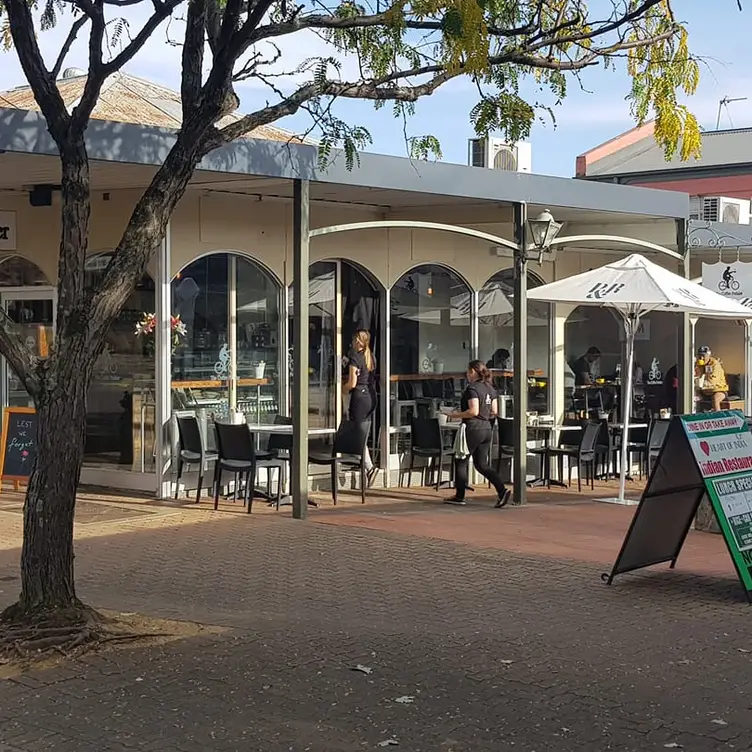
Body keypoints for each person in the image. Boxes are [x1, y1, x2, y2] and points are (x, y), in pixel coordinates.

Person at [445, 360, 511, 508]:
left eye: (468, 372)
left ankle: (460, 496)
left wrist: (454, 415)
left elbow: (473, 411)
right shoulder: (490, 388)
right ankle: (502, 490)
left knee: (460, 460)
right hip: (486, 428)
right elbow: (494, 411)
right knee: (481, 464)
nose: (467, 375)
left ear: (474, 372)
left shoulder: (472, 388)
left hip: (472, 427)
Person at [344, 329, 378, 485]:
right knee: (361, 431)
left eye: (353, 339)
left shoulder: (355, 358)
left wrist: (340, 389)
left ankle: (369, 467)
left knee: (358, 432)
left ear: (358, 341)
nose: (352, 342)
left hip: (359, 397)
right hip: (371, 397)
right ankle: (362, 463)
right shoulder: (371, 357)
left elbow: (352, 383)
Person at [695, 346, 728, 412]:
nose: (701, 358)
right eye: (699, 355)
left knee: (715, 399)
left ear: (708, 355)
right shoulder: (698, 364)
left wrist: (702, 382)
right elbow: (696, 376)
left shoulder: (715, 364)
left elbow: (713, 381)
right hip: (704, 391)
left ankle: (718, 416)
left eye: (703, 356)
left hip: (718, 389)